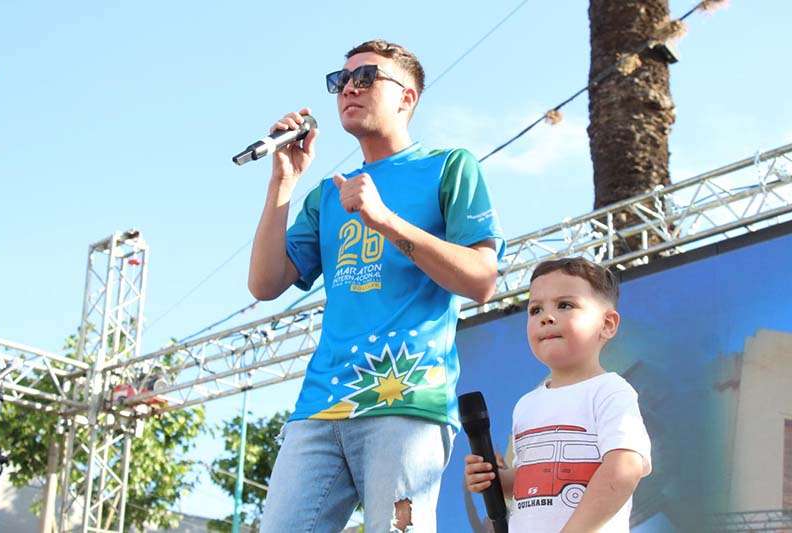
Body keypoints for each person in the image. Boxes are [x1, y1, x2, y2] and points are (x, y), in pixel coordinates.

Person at [248, 39, 505, 532]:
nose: (349, 88)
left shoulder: (449, 166)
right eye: (340, 80)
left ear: (407, 97)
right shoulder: (328, 194)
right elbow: (264, 283)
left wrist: (384, 219)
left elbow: (481, 279)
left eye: (366, 77)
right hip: (320, 406)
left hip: (405, 399)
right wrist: (283, 182)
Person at [464, 257, 651, 532]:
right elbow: (534, 481)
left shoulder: (610, 391)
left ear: (607, 324)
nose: (546, 317)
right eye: (535, 309)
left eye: (565, 305)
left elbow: (624, 468)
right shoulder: (526, 405)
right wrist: (497, 480)